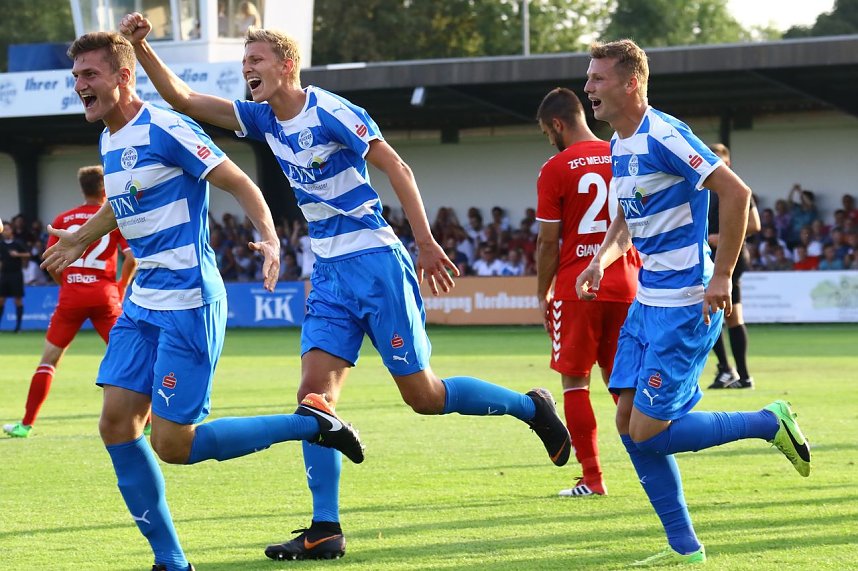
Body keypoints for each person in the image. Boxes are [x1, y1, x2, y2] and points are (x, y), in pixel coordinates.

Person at [119, 13, 571, 562]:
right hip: (329, 274)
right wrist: (142, 50)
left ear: (287, 65)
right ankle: (324, 529)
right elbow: (187, 100)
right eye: (243, 61)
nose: (246, 69)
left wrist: (425, 241)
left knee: (424, 397)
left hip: (376, 262)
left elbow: (396, 166)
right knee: (315, 401)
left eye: (255, 59)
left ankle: (531, 407)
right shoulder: (263, 119)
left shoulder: (330, 110)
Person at [43, 31, 365, 571]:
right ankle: (171, 562)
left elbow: (240, 181)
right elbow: (127, 202)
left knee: (174, 444)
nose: (80, 86)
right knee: (116, 424)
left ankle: (313, 425)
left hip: (189, 301)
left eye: (90, 75)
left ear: (123, 77)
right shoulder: (109, 139)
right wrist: (82, 237)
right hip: (143, 299)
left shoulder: (166, 127)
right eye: (76, 77)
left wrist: (268, 236)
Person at [576, 39, 811, 567]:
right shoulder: (620, 144)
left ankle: (769, 422)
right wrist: (600, 260)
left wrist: (722, 275)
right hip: (647, 301)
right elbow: (627, 216)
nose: (588, 88)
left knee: (647, 431)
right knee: (625, 424)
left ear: (630, 82)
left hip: (685, 303)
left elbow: (737, 193)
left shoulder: (665, 134)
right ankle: (685, 549)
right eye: (589, 78)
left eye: (598, 79)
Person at [535, 87, 640, 498]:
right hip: (626, 281)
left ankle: (593, 479)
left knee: (575, 381)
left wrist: (541, 291)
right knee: (622, 381)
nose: (550, 139)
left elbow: (547, 241)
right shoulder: (621, 154)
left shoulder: (555, 167)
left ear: (558, 124)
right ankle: (651, 464)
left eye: (548, 132)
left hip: (578, 287)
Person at [3, 166, 138, 438]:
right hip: (105, 296)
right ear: (104, 189)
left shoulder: (63, 218)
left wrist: (66, 284)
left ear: (82, 189)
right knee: (130, 358)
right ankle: (145, 421)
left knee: (48, 361)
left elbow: (49, 260)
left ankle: (25, 424)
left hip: (72, 295)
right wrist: (120, 287)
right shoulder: (112, 216)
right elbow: (132, 257)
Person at [705, 144, 760, 390]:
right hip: (716, 257)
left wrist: (718, 238)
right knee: (727, 315)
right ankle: (736, 374)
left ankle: (730, 371)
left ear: (727, 163)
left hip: (728, 258)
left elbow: (755, 225)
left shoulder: (735, 188)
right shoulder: (704, 190)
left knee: (714, 314)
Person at [0, 220, 30, 333]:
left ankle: (18, 327)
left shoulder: (18, 243)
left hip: (16, 274)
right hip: (4, 275)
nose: (5, 232)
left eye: (7, 229)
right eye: (4, 230)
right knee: (1, 300)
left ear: (11, 231)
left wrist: (18, 254)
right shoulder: (1, 245)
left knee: (17, 300)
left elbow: (28, 254)